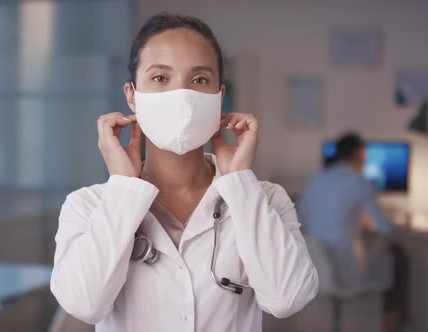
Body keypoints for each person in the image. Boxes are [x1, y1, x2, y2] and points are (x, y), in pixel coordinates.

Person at [50, 13, 318, 332]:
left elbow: (288, 298)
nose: (182, 96)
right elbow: (84, 304)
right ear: (132, 95)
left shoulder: (266, 199)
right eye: (161, 78)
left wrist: (239, 184)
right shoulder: (88, 206)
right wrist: (122, 188)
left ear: (219, 95)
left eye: (199, 80)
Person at [298, 133, 409, 332]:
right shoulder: (359, 182)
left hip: (316, 269)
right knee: (398, 258)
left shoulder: (316, 180)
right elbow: (386, 228)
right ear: (358, 154)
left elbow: (303, 218)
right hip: (343, 271)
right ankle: (391, 326)